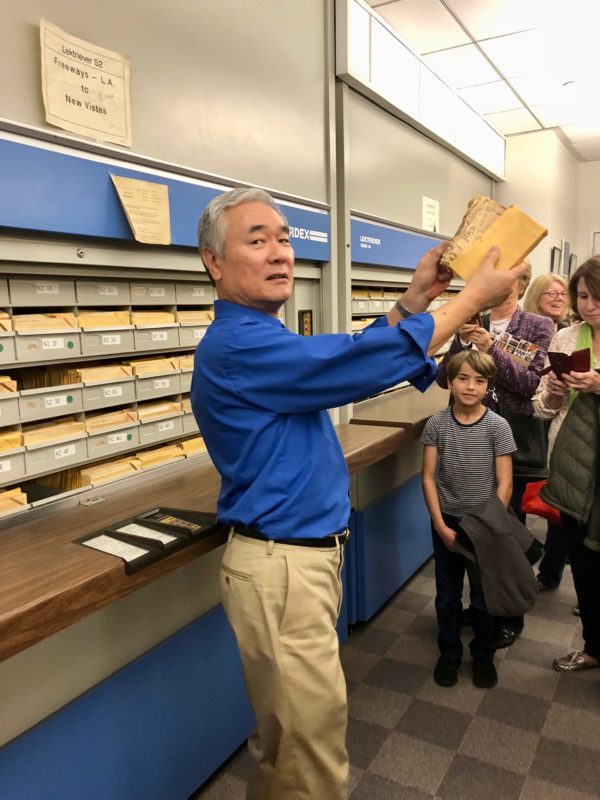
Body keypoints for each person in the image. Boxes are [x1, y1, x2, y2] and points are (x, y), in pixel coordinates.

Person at [190, 186, 526, 800]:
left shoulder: (265, 339)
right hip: (283, 568)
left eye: (285, 238)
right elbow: (355, 366)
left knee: (287, 742)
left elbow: (347, 359)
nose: (280, 253)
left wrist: (415, 301)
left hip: (293, 563)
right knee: (310, 757)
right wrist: (471, 297)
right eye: (257, 240)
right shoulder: (241, 345)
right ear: (214, 262)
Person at [436, 262, 554, 648]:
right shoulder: (475, 319)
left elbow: (529, 384)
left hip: (515, 445)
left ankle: (509, 615)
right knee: (473, 533)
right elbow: (443, 379)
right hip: (471, 445)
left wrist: (491, 348)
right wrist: (460, 340)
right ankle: (481, 606)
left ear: (520, 284)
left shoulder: (538, 326)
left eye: (510, 278)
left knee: (505, 534)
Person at [421, 350, 515, 689]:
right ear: (449, 381)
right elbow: (429, 477)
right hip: (447, 520)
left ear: (489, 386)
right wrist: (439, 524)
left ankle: (482, 656)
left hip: (484, 526)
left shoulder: (497, 426)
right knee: (447, 594)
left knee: (482, 595)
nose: (470, 386)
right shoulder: (437, 423)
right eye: (463, 378)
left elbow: (505, 482)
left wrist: (487, 525)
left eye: (479, 380)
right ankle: (448, 654)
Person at [532, 256, 600, 671]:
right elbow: (542, 409)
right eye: (584, 296)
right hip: (572, 464)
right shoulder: (565, 338)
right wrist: (555, 391)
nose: (590, 305)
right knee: (584, 561)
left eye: (598, 296)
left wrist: (598, 383)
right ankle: (594, 645)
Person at [523, 273, 571, 591]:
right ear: (535, 297)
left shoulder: (571, 336)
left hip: (556, 426)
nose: (557, 297)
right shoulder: (524, 331)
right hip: (525, 424)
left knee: (558, 503)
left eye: (562, 293)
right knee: (520, 501)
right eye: (549, 292)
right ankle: (523, 562)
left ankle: (551, 569)